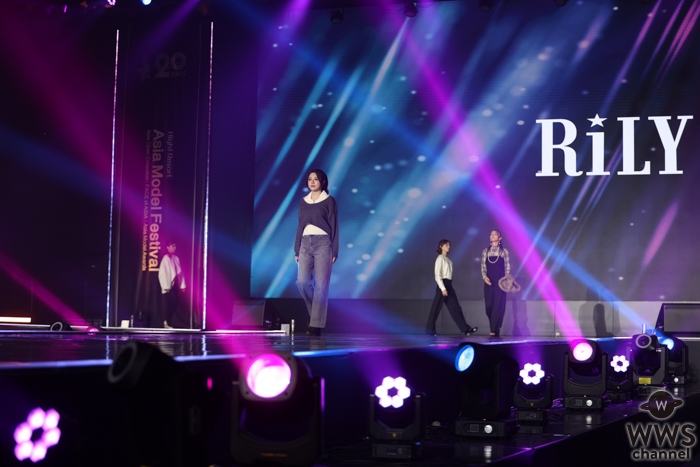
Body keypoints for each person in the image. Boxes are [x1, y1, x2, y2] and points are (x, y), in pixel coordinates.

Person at [294, 169, 338, 336]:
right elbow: (300, 226)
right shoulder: (303, 201)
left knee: (321, 285)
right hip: (305, 243)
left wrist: (335, 250)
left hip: (323, 243)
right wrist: (296, 249)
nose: (312, 182)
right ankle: (315, 316)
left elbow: (334, 226)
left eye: (316, 179)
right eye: (310, 179)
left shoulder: (329, 200)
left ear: (323, 182)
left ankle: (316, 325)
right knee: (302, 282)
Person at [425, 239, 478, 337]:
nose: (448, 247)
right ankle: (430, 331)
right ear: (441, 246)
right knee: (436, 308)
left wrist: (447, 287)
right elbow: (437, 275)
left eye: (449, 245)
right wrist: (443, 288)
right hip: (442, 285)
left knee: (456, 308)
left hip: (449, 285)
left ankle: (466, 329)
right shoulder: (440, 258)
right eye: (446, 245)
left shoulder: (449, 260)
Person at [482, 229, 510, 338]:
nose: (492, 235)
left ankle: (493, 330)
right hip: (489, 282)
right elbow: (483, 266)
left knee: (497, 305)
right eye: (491, 234)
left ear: (500, 238)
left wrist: (506, 280)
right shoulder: (485, 251)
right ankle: (496, 326)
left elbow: (507, 266)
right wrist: (484, 277)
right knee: (489, 306)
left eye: (495, 234)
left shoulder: (504, 251)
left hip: (500, 282)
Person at [159, 240, 185, 329]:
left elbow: (180, 272)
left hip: (175, 284)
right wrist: (166, 286)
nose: (175, 248)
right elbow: (163, 273)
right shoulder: (165, 258)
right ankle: (166, 322)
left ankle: (167, 322)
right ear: (168, 247)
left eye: (175, 246)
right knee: (172, 302)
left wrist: (182, 285)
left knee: (175, 303)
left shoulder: (176, 258)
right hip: (169, 285)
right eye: (173, 246)